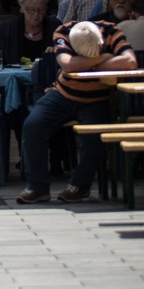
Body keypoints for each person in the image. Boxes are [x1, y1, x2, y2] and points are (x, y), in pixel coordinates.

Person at [17, 16, 139, 203]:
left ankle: (80, 185)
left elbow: (130, 62)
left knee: (94, 138)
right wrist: (104, 58)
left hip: (98, 98)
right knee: (33, 125)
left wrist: (84, 62)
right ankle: (37, 186)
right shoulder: (64, 32)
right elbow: (67, 64)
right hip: (63, 94)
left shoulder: (112, 32)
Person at [0, 0, 58, 64]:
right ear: (22, 8)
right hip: (14, 76)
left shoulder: (56, 28)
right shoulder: (7, 29)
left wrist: (57, 52)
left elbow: (66, 56)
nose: (36, 15)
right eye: (31, 10)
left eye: (41, 10)